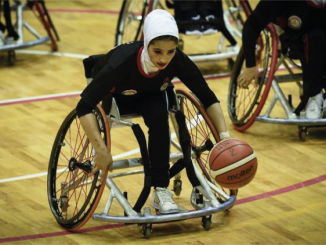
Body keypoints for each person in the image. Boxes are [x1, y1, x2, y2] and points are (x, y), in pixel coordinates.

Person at [76, 9, 231, 214]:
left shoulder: (177, 60)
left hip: (150, 92)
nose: (163, 59)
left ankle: (160, 190)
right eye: (157, 51)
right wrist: (101, 150)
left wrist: (224, 136)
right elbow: (83, 106)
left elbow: (207, 96)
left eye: (171, 51)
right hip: (116, 96)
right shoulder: (122, 63)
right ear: (146, 43)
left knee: (160, 119)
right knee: (153, 107)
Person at [238, 0, 326, 119]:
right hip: (294, 39)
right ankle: (314, 95)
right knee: (316, 37)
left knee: (319, 37)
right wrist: (250, 64)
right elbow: (252, 25)